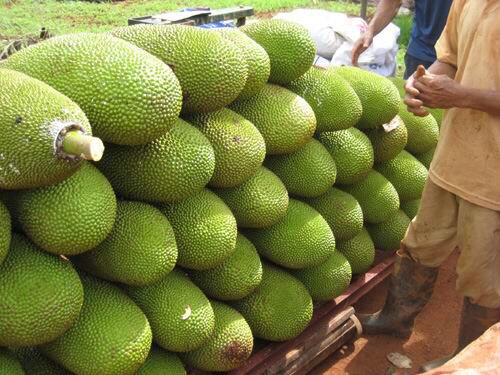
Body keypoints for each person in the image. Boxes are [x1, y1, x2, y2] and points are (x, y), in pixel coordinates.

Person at [360, 0, 500, 372]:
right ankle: (395, 317)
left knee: (482, 277)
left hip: (494, 177)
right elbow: (450, 59)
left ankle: (465, 357)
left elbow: (462, 89)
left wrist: (461, 96)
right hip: (455, 153)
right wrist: (423, 83)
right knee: (421, 241)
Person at [351, 0, 453, 78]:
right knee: (414, 101)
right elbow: (392, 2)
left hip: (461, 58)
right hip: (421, 53)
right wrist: (370, 31)